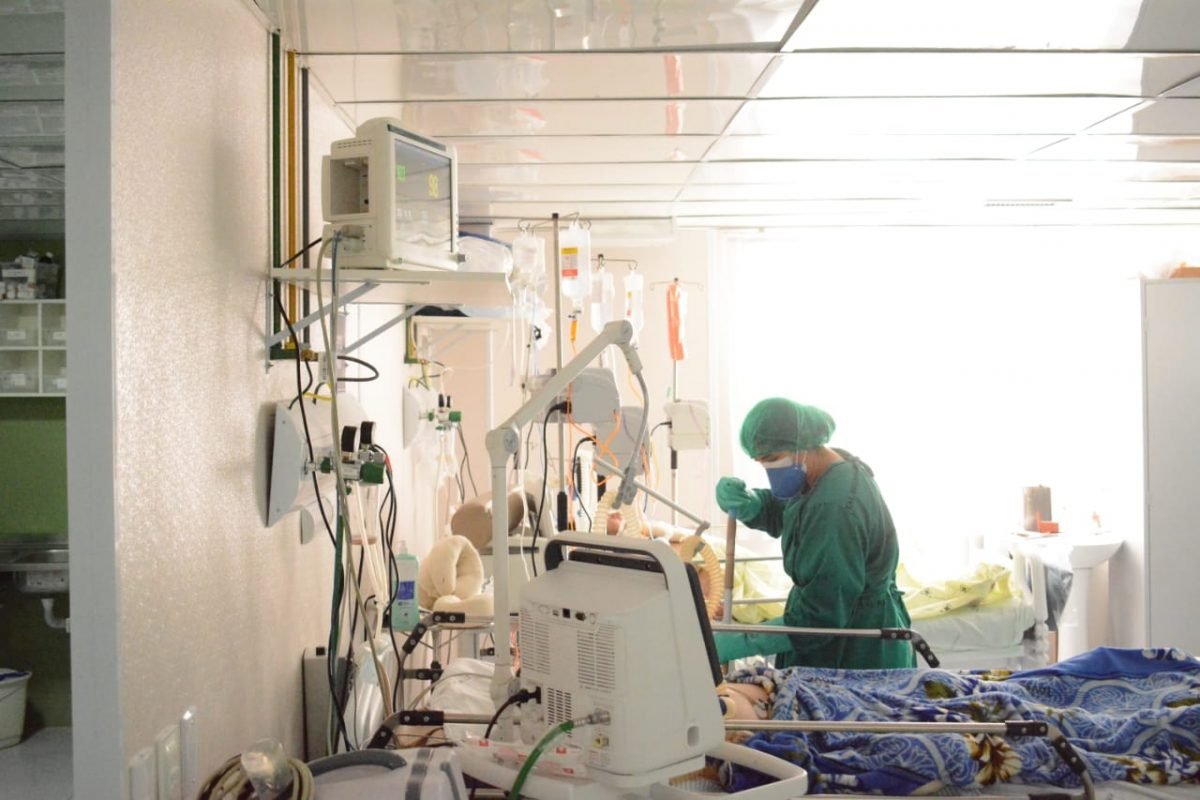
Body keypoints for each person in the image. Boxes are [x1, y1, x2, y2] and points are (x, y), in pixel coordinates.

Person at [714, 398, 914, 669]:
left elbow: (820, 617)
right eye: (760, 462)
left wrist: (742, 642)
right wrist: (754, 504)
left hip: (854, 648)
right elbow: (795, 512)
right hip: (847, 629)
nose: (769, 469)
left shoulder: (834, 507)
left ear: (802, 445)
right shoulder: (830, 471)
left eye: (772, 459)